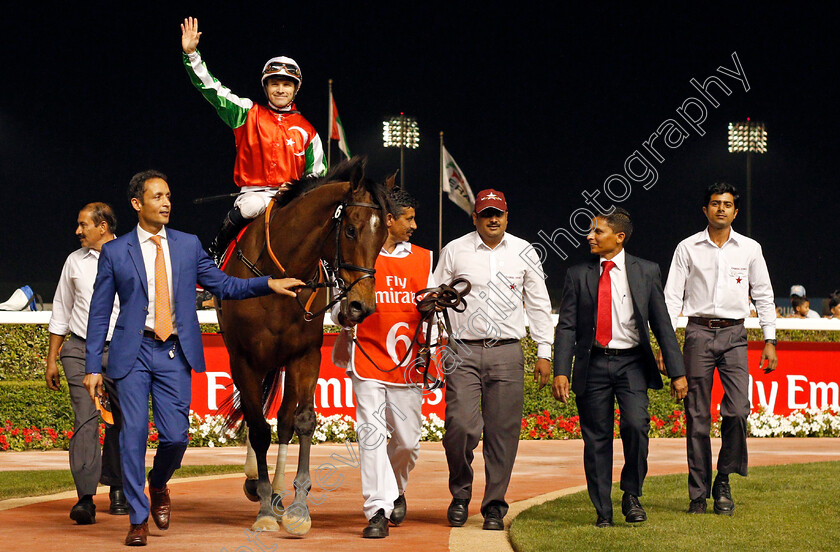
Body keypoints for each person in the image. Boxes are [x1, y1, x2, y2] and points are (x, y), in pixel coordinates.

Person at [83, 170, 304, 546]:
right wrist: (91, 367)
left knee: (176, 437)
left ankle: (159, 482)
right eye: (157, 197)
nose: (166, 202)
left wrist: (269, 283)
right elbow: (99, 312)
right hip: (130, 355)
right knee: (133, 436)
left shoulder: (188, 245)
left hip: (174, 353)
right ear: (137, 204)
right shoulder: (116, 252)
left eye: (168, 195)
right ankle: (138, 519)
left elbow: (226, 285)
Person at [553, 208, 687, 527]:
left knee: (637, 426)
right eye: (591, 231)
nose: (590, 236)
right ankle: (603, 511)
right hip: (593, 364)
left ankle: (631, 494)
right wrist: (561, 368)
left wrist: (679, 372)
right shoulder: (578, 274)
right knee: (596, 440)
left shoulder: (647, 271)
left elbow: (662, 324)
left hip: (632, 364)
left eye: (598, 231)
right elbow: (567, 326)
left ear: (619, 237)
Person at [433, 189, 554, 531]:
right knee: (460, 427)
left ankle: (494, 506)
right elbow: (434, 298)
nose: (492, 219)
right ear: (475, 217)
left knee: (503, 433)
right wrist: (432, 344)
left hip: (507, 350)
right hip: (462, 351)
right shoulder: (455, 250)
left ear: (506, 215)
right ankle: (460, 493)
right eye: (486, 214)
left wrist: (544, 351)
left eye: (497, 213)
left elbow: (540, 305)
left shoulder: (524, 251)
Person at [664, 182, 778, 516]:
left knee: (739, 410)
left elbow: (765, 295)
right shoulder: (687, 248)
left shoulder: (750, 249)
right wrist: (668, 344)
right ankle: (698, 494)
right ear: (705, 209)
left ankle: (723, 478)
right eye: (715, 203)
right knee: (697, 416)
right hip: (698, 333)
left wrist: (770, 340)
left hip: (735, 336)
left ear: (735, 211)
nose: (721, 209)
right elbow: (672, 297)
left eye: (727, 204)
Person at [180, 17, 326, 262]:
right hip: (254, 194)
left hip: (292, 199)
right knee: (250, 207)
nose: (280, 89)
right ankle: (214, 256)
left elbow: (318, 173)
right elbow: (213, 91)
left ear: (296, 89)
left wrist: (296, 188)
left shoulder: (308, 131)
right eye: (275, 84)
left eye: (287, 85)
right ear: (266, 87)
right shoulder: (246, 113)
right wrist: (192, 55)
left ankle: (332, 277)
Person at [332, 188, 435, 538]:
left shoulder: (424, 259)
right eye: (409, 218)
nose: (415, 225)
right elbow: (336, 307)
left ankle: (396, 489)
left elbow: (432, 310)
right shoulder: (362, 253)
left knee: (407, 443)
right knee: (371, 434)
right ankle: (377, 508)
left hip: (408, 361)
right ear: (389, 220)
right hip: (366, 356)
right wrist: (343, 314)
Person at [46, 202, 126, 523]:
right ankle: (85, 498)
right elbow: (61, 312)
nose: (78, 231)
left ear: (102, 227)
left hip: (121, 352)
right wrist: (52, 358)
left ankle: (117, 487)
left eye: (83, 225)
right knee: (86, 418)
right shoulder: (73, 262)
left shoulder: (130, 256)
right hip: (79, 351)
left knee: (121, 420)